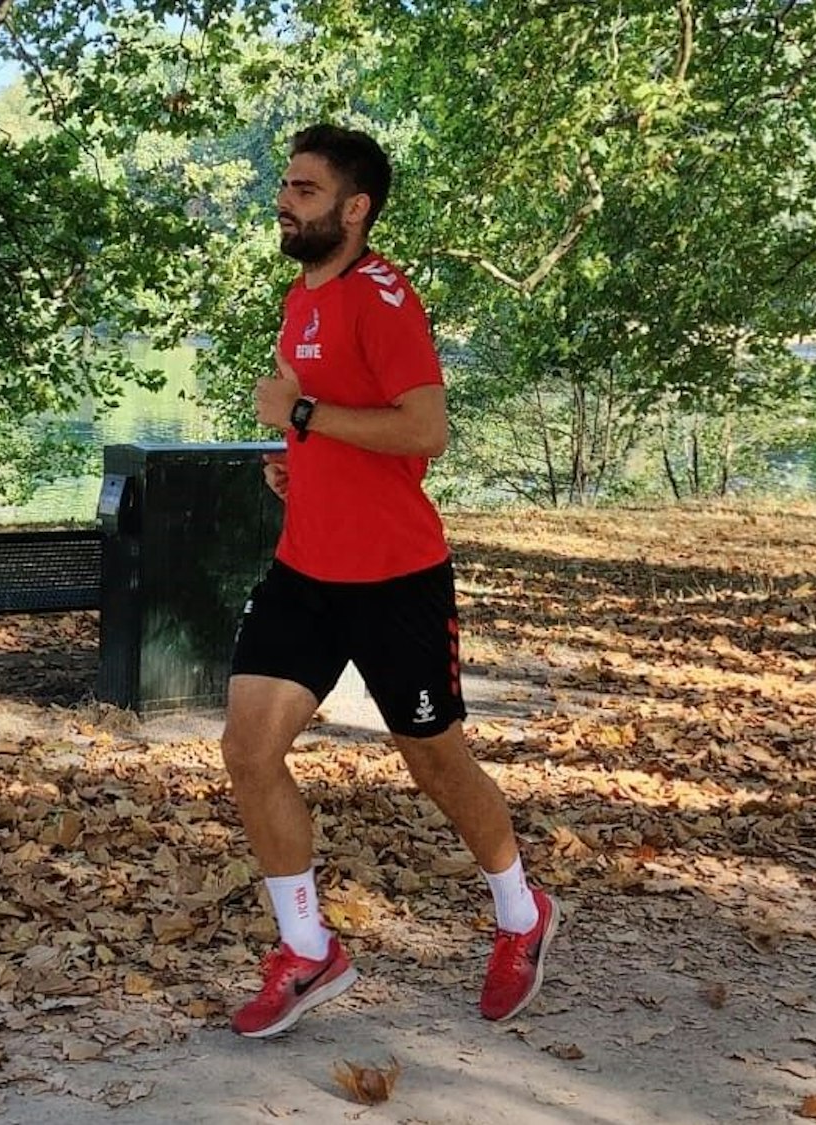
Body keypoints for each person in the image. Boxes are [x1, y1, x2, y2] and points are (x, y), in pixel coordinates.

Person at [223, 123, 560, 1039]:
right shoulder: (303, 296)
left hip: (395, 577)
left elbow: (423, 430)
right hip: (305, 568)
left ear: (354, 207)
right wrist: (297, 457)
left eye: (302, 188)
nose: (284, 201)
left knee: (436, 760)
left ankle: (521, 916)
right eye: (285, 185)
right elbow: (334, 429)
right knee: (250, 750)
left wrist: (299, 410)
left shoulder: (385, 297)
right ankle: (307, 949)